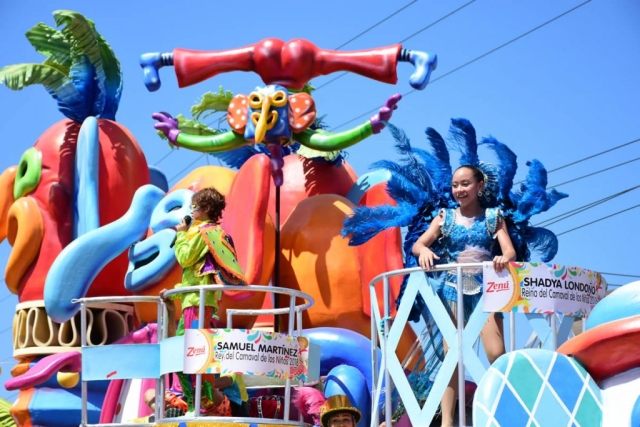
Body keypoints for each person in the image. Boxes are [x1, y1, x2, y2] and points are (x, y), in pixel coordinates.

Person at [411, 165, 516, 427]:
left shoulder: (493, 217)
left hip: (486, 291)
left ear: (480, 186)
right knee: (452, 358)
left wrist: (504, 258)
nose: (459, 189)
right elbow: (419, 243)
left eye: (466, 184)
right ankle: (448, 421)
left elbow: (509, 251)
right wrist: (422, 251)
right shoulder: (444, 217)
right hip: (451, 290)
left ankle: (500, 412)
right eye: (456, 185)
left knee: (496, 352)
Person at [163, 187, 246, 415]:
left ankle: (203, 402)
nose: (192, 210)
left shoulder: (205, 232)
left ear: (207, 209)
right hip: (194, 300)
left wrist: (181, 234)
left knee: (192, 353)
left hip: (199, 303)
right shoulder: (202, 231)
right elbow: (194, 272)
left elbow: (185, 257)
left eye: (195, 207)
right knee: (184, 352)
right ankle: (194, 402)